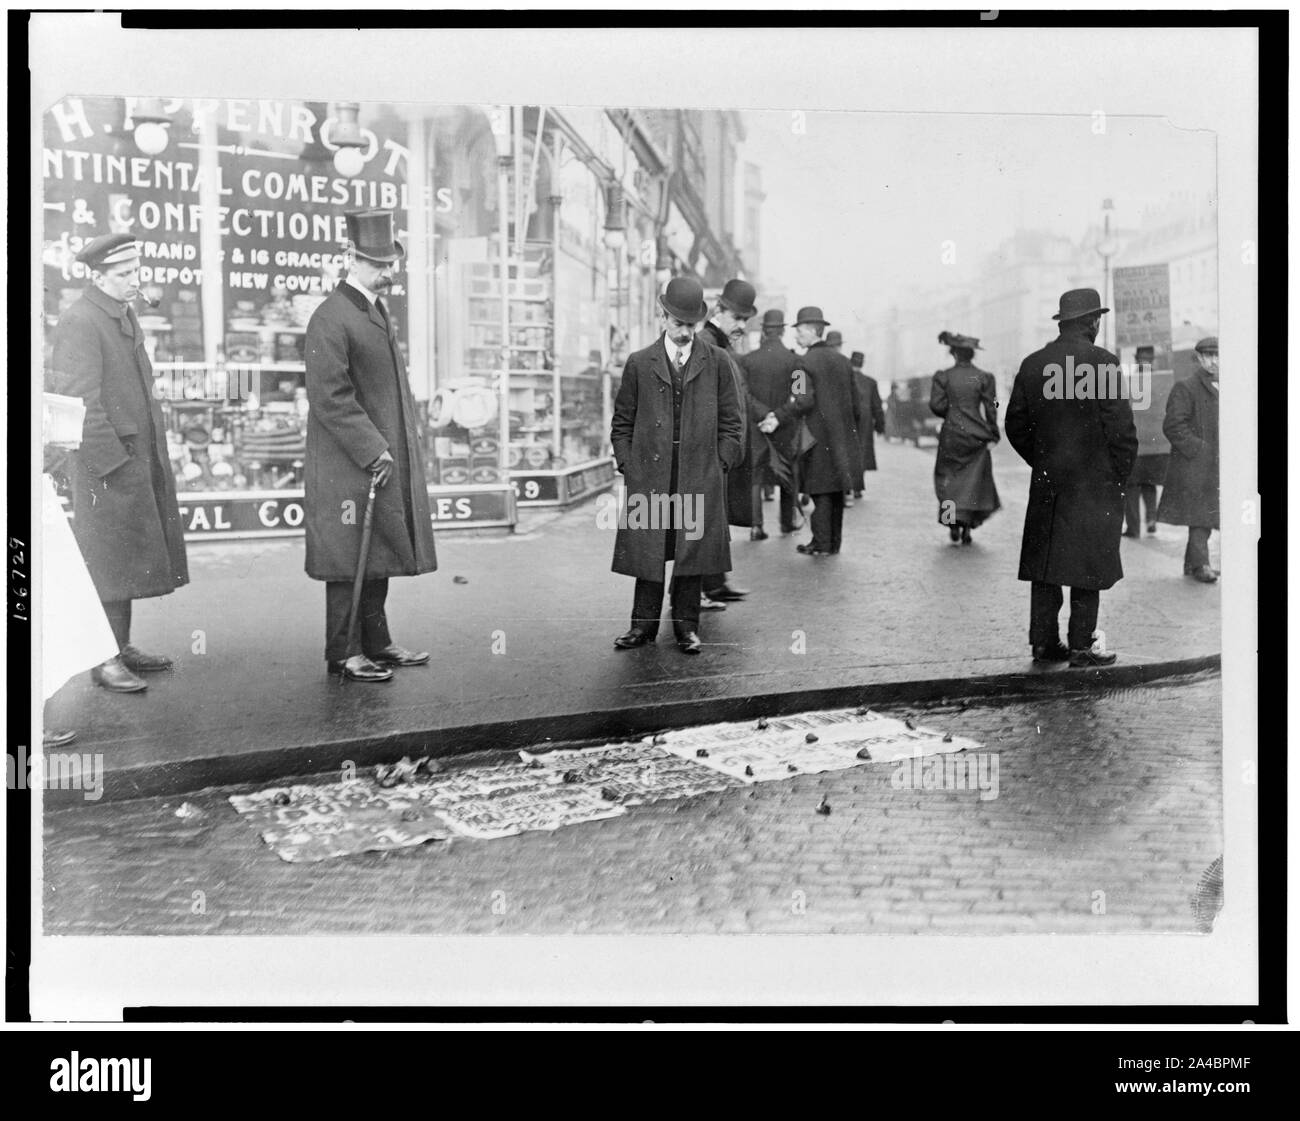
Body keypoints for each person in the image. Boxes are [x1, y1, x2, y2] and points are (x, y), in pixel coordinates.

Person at [49, 233, 189, 693]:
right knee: (107, 560)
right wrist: (114, 464)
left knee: (124, 556)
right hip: (104, 464)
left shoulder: (121, 314)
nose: (135, 281)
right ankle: (104, 658)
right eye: (124, 274)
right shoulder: (81, 321)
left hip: (130, 458)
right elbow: (79, 400)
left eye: (136, 272)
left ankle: (119, 645)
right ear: (98, 274)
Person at [303, 210, 437, 682]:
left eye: (392, 264)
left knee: (376, 550)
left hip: (373, 456)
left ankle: (376, 642)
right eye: (378, 264)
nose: (388, 273)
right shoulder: (331, 317)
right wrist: (373, 448)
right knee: (347, 559)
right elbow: (329, 396)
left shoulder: (372, 311)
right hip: (348, 462)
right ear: (350, 259)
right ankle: (344, 652)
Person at [610, 277, 744, 654]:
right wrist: (628, 465)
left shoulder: (717, 361)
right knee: (650, 553)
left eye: (692, 324)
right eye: (678, 323)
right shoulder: (639, 362)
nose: (685, 332)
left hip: (699, 471)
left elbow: (732, 421)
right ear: (663, 316)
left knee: (691, 552)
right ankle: (642, 627)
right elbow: (622, 422)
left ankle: (686, 626)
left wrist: (721, 461)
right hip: (652, 473)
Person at [1005, 289, 1138, 667]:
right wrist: (1117, 473)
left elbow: (1014, 423)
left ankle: (1044, 644)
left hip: (1050, 482)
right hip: (1095, 484)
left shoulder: (1033, 364)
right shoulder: (1104, 364)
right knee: (1088, 564)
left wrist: (1043, 460)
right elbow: (1122, 431)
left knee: (1047, 563)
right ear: (1092, 322)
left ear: (1063, 322)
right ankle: (1081, 645)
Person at [761, 307, 862, 556]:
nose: (796, 337)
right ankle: (833, 542)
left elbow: (801, 400)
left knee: (819, 488)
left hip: (816, 436)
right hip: (842, 436)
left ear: (809, 331)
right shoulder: (843, 362)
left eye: (798, 331)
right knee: (836, 489)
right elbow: (857, 404)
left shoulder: (802, 363)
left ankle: (821, 542)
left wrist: (778, 416)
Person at [696, 278, 758, 599]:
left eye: (746, 320)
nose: (743, 326)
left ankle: (715, 583)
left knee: (715, 518)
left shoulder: (720, 343)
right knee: (707, 519)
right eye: (738, 318)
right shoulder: (708, 342)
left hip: (722, 449)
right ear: (719, 310)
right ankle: (706, 588)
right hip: (711, 449)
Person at [1157, 336, 1220, 583]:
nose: (1214, 361)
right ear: (1199, 359)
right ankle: (1201, 564)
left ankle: (1191, 564)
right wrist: (1199, 449)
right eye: (1208, 356)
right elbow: (1173, 425)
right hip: (1194, 464)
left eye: (1217, 355)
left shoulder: (1225, 385)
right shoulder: (1187, 387)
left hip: (1213, 464)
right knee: (1201, 516)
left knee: (1203, 513)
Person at [930, 330, 1001, 545]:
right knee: (973, 483)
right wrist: (993, 432)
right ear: (972, 354)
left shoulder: (943, 376)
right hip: (976, 434)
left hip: (952, 433)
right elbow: (992, 406)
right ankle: (968, 527)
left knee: (948, 479)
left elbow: (936, 405)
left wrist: (950, 413)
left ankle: (952, 523)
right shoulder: (984, 377)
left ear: (954, 354)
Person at [740, 309, 804, 536]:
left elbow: (743, 395)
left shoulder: (747, 361)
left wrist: (763, 414)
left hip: (756, 428)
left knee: (755, 475)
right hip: (785, 428)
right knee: (787, 473)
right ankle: (786, 522)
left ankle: (756, 526)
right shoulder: (796, 362)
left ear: (764, 331)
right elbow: (801, 398)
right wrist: (778, 416)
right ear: (783, 330)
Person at [1122, 345, 1168, 537]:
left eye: (1147, 359)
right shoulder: (1162, 380)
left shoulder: (1130, 380)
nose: (1145, 362)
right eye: (1143, 359)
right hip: (1152, 443)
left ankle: (1136, 526)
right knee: (1146, 483)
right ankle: (1150, 520)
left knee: (1133, 485)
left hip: (1139, 443)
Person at [849, 350, 886, 500]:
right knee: (862, 452)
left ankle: (848, 486)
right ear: (862, 364)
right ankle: (858, 487)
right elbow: (877, 406)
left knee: (848, 451)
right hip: (865, 421)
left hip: (849, 419)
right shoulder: (870, 382)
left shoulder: (845, 378)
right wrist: (880, 426)